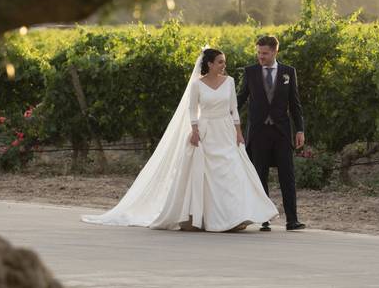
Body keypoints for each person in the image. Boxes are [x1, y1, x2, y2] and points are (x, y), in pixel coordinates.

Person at [82, 48, 278, 232]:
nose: (223, 65)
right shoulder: (197, 84)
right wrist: (194, 130)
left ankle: (235, 216)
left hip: (226, 130)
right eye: (220, 62)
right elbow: (193, 109)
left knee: (232, 170)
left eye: (223, 62)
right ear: (209, 64)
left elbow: (234, 108)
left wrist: (238, 131)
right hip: (206, 130)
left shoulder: (229, 81)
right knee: (205, 173)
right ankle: (205, 217)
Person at [237, 35, 306, 231]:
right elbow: (240, 98)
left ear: (275, 51)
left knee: (287, 176)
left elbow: (295, 104)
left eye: (265, 53)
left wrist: (300, 129)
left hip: (282, 132)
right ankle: (263, 218)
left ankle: (292, 220)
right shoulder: (250, 72)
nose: (261, 56)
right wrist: (224, 114)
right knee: (260, 175)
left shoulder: (288, 72)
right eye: (258, 53)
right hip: (258, 132)